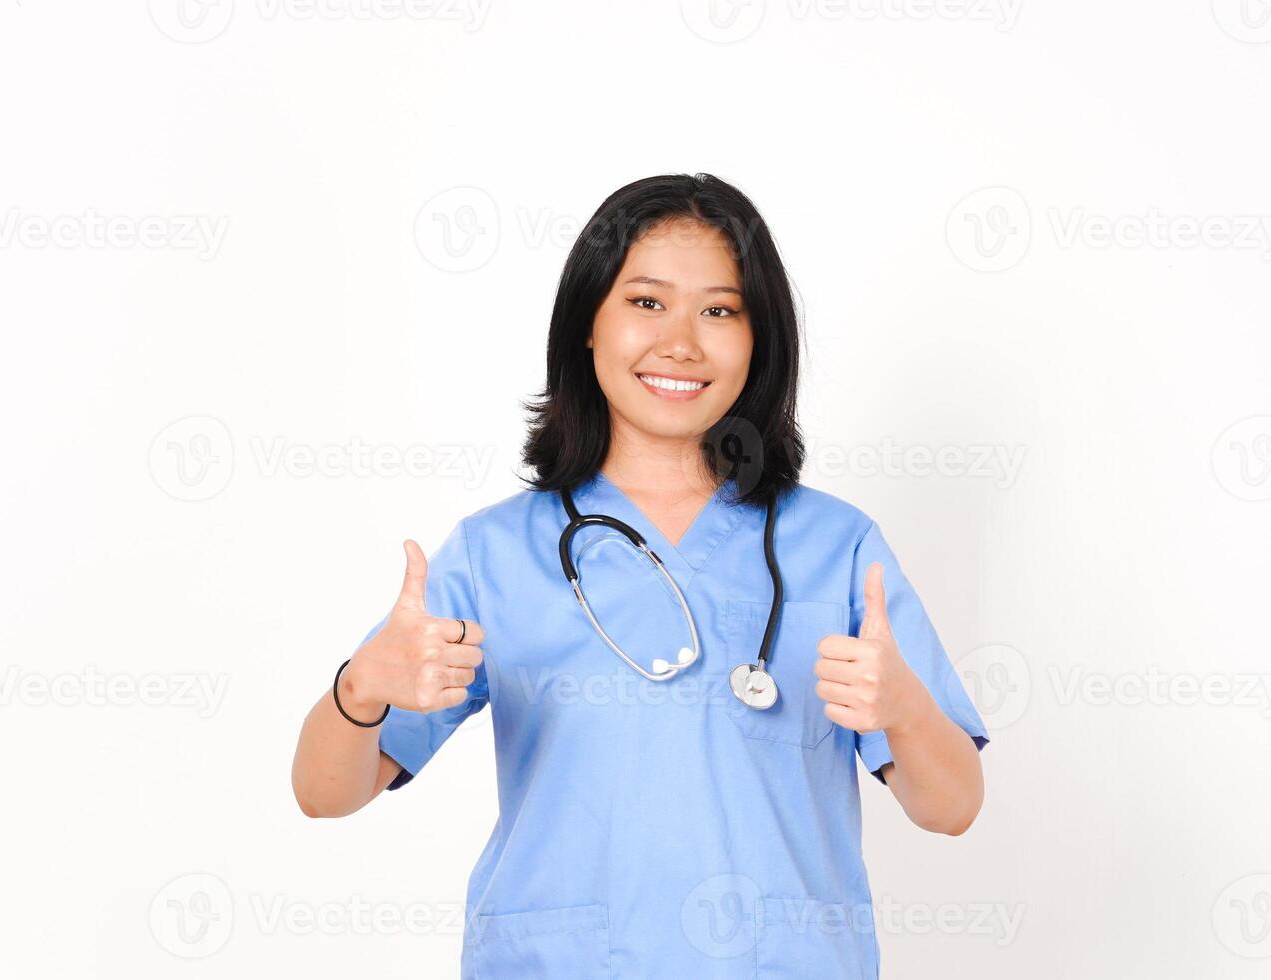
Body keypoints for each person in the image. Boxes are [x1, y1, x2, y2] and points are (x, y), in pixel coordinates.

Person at [290, 172, 989, 978]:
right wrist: (363, 687)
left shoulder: (835, 546)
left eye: (720, 310)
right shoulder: (498, 554)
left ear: (760, 339)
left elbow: (952, 808)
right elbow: (324, 792)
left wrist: (903, 707)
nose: (682, 342)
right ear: (587, 324)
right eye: (647, 302)